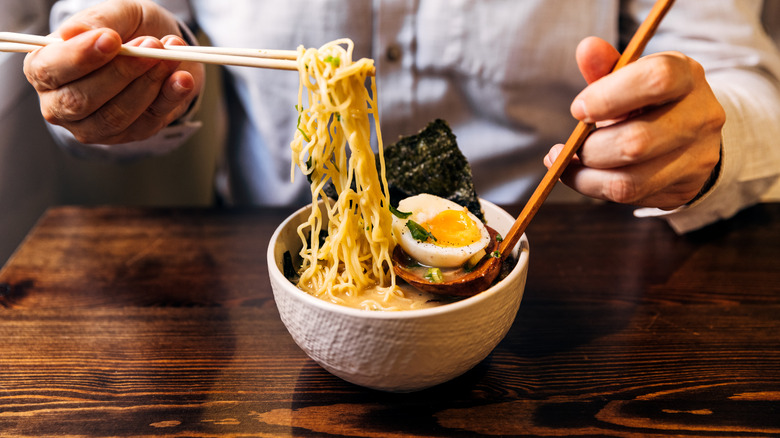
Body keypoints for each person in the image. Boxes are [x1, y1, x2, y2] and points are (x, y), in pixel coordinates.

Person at [24, 0, 780, 234]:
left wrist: (698, 145)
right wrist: (129, 82)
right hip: (275, 264)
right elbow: (114, 33)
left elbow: (742, 82)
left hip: (550, 260)